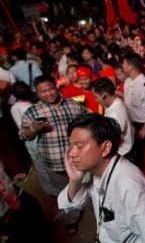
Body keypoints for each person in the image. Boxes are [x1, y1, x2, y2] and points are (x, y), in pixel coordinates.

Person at [58, 113, 145, 243]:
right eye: (71, 146)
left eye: (79, 146)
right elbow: (71, 205)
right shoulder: (97, 171)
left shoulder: (130, 186)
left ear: (105, 148)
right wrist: (75, 181)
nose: (72, 153)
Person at [20, 75, 86, 232]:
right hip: (55, 163)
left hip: (79, 160)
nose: (48, 93)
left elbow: (87, 124)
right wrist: (34, 129)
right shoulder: (33, 112)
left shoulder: (73, 105)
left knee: (86, 188)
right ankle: (72, 219)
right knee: (67, 193)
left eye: (50, 89)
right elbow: (23, 135)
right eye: (43, 91)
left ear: (56, 88)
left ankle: (88, 210)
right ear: (37, 93)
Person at [121, 52, 145, 169]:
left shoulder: (144, 84)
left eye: (124, 64)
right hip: (132, 124)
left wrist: (144, 129)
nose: (122, 66)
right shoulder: (127, 81)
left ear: (130, 67)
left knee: (144, 158)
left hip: (143, 124)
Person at [91, 77, 135, 158]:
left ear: (103, 95)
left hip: (124, 154)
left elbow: (112, 140)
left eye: (96, 97)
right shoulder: (117, 102)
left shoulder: (115, 114)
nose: (95, 100)